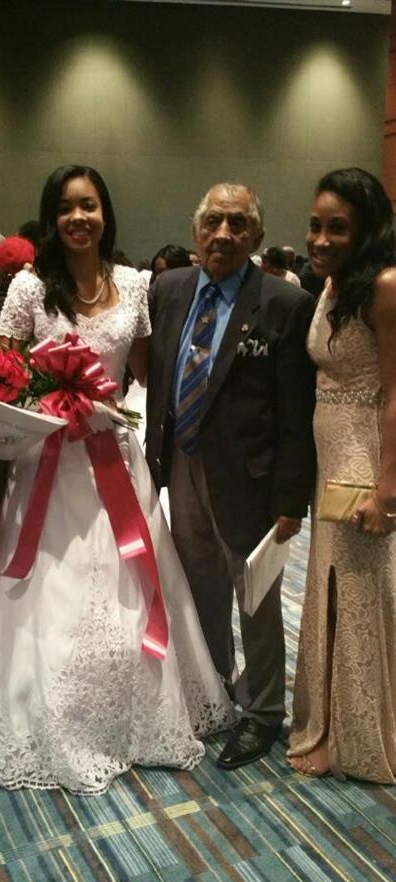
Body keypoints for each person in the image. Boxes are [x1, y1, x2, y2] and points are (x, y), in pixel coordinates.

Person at [0, 164, 234, 794]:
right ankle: (55, 719)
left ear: (105, 213)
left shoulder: (135, 285)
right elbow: (2, 371)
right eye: (65, 207)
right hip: (49, 461)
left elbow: (145, 370)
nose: (77, 218)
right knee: (51, 589)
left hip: (114, 455)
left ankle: (138, 715)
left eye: (88, 205)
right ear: (51, 218)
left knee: (129, 583)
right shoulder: (31, 287)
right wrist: (42, 403)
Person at [146, 182, 316, 770]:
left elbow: (296, 413)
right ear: (196, 231)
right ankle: (215, 685)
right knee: (200, 586)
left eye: (238, 223)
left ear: (257, 236)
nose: (223, 233)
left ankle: (264, 712)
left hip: (251, 480)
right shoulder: (168, 289)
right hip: (182, 464)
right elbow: (160, 377)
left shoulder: (284, 303)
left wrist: (291, 499)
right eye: (213, 221)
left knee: (257, 597)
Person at [288, 168, 396, 783]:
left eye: (338, 228)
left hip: (364, 456)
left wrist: (388, 491)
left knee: (357, 597)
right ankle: (329, 722)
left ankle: (359, 738)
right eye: (315, 225)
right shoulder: (333, 285)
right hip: (329, 454)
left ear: (367, 230)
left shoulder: (384, 285)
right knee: (329, 590)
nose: (321, 239)